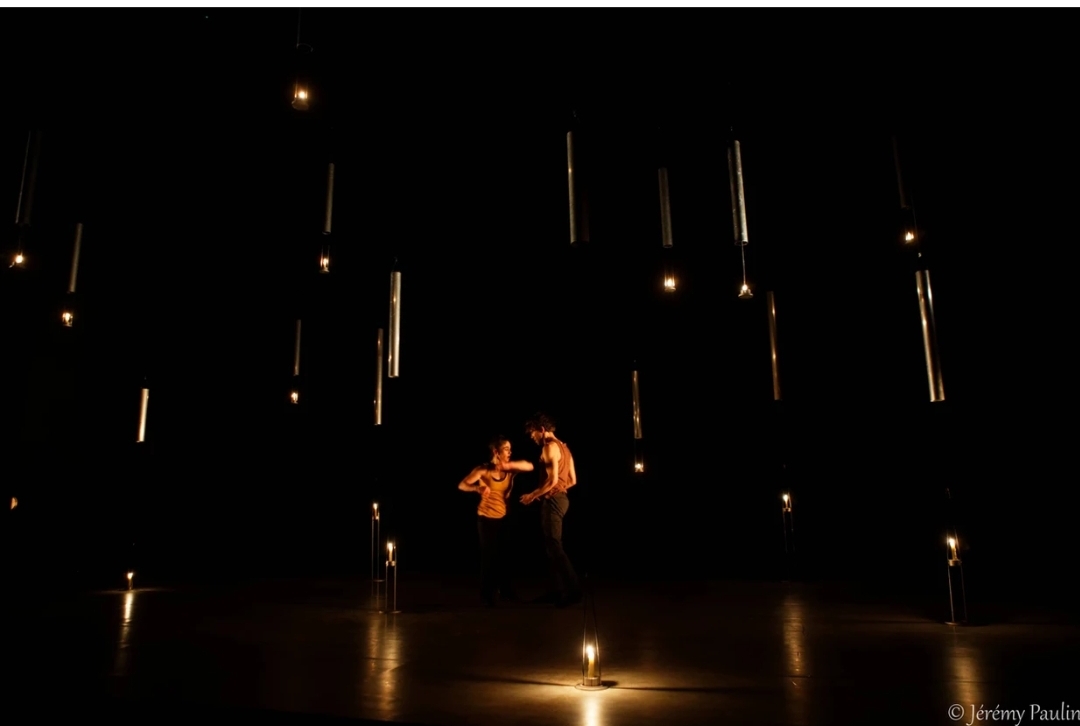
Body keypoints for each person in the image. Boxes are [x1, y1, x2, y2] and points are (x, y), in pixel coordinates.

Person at [458, 435, 533, 607]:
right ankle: (487, 595)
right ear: (496, 452)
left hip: (504, 517)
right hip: (486, 518)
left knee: (505, 555)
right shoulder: (483, 470)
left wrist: (508, 466)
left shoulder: (510, 470)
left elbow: (529, 466)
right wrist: (477, 488)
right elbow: (462, 485)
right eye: (506, 449)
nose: (510, 452)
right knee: (489, 557)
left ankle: (506, 592)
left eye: (510, 449)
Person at [519, 413, 582, 607]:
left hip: (554, 501)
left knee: (554, 546)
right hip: (562, 499)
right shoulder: (565, 448)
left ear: (542, 430)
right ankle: (557, 591)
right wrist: (556, 490)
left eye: (533, 434)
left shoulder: (548, 447)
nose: (532, 438)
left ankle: (573, 591)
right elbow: (572, 480)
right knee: (552, 547)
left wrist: (533, 495)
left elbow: (552, 480)